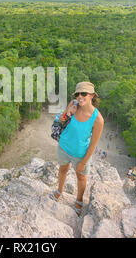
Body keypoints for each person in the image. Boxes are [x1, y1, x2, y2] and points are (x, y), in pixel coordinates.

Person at [49, 82, 104, 216]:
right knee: (63, 169)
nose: (80, 96)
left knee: (81, 177)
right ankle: (59, 190)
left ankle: (79, 200)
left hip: (80, 153)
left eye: (83, 93)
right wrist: (68, 110)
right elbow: (61, 120)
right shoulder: (74, 105)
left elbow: (93, 144)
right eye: (78, 94)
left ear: (91, 95)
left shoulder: (98, 120)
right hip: (63, 146)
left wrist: (83, 162)